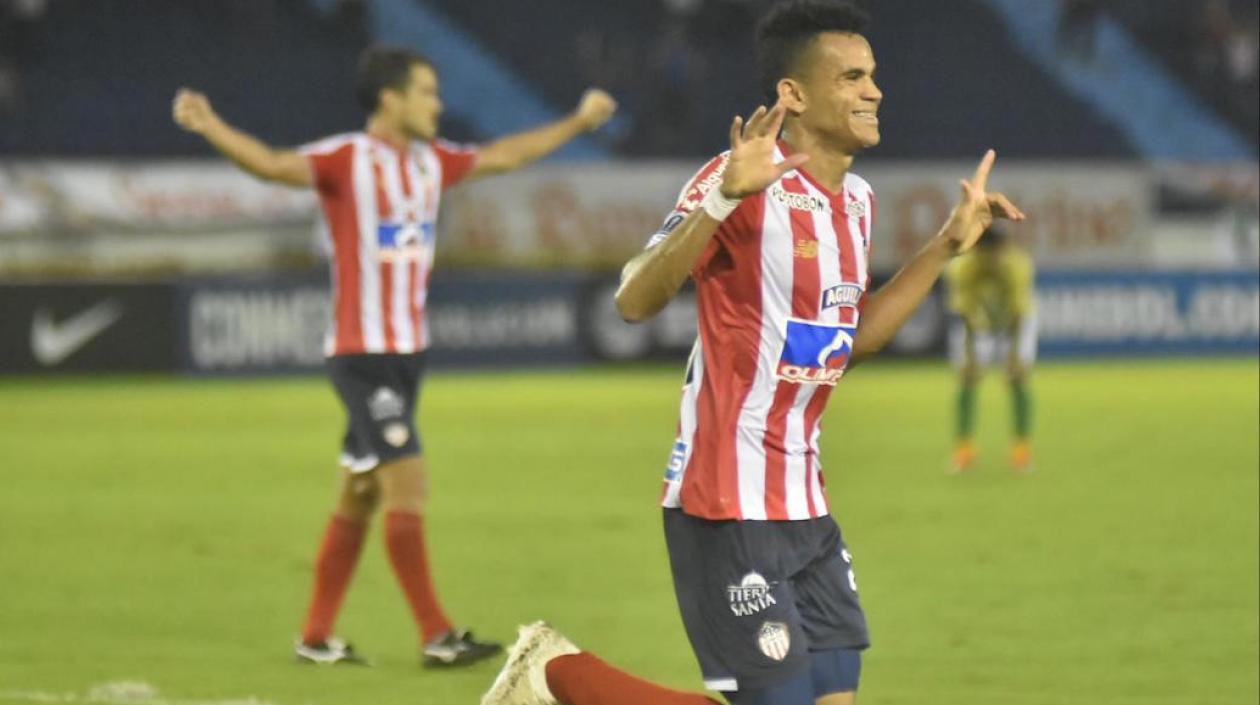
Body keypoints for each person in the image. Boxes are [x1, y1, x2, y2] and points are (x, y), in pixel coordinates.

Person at [481, 1, 1024, 704]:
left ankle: (551, 675)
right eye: (853, 77)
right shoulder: (741, 180)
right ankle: (555, 673)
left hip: (807, 502)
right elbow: (633, 300)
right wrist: (719, 203)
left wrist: (946, 247)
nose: (874, 90)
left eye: (874, 75)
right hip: (726, 503)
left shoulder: (856, 201)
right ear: (793, 95)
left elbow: (844, 344)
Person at [171, 44, 616, 667]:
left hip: (407, 356)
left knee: (358, 493)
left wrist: (575, 121)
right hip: (362, 354)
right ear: (391, 97)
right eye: (427, 91)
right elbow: (272, 166)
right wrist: (210, 124)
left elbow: (506, 155)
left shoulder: (432, 162)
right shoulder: (346, 159)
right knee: (408, 483)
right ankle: (437, 635)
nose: (438, 103)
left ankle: (316, 637)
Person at [944, 227, 1036, 474]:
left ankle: (1021, 450)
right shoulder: (962, 267)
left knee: (1018, 378)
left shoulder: (1018, 266)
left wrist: (1015, 355)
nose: (993, 258)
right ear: (977, 250)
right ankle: (964, 451)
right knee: (967, 377)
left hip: (1012, 322)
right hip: (978, 321)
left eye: (997, 252)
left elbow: (1019, 312)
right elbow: (964, 313)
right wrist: (970, 354)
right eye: (988, 253)